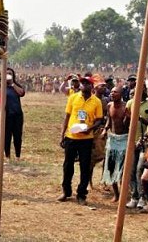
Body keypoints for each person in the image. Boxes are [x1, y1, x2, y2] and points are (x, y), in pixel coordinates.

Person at [58, 77, 103, 205]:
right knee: (67, 166)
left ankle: (81, 194)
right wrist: (62, 135)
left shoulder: (96, 101)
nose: (84, 85)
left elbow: (99, 120)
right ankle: (66, 191)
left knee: (84, 166)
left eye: (87, 83)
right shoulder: (73, 98)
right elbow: (67, 117)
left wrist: (90, 128)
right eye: (82, 83)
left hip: (86, 139)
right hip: (71, 137)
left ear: (91, 86)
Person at [100, 86, 129, 201]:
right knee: (111, 167)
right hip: (112, 139)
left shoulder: (126, 106)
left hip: (124, 138)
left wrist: (127, 118)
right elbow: (109, 120)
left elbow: (127, 125)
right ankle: (116, 194)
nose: (112, 94)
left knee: (122, 169)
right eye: (111, 92)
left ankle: (123, 194)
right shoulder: (109, 105)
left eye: (115, 92)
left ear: (121, 94)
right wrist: (104, 130)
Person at [4, 67, 25, 161]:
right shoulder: (2, 87)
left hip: (17, 115)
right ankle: (7, 155)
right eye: (7, 73)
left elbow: (22, 93)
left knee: (17, 136)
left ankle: (17, 156)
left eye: (10, 74)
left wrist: (12, 84)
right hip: (7, 115)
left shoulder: (15, 85)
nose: (8, 75)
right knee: (6, 136)